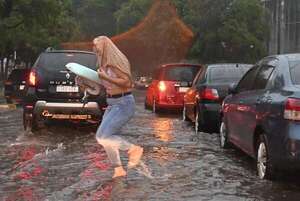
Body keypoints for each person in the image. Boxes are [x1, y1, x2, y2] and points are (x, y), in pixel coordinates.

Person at [93, 36, 143, 178]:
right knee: (102, 137)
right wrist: (83, 82)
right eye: (94, 45)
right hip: (112, 104)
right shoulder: (103, 65)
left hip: (123, 103)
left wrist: (106, 77)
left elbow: (127, 82)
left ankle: (134, 149)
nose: (95, 48)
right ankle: (118, 169)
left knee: (104, 137)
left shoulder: (114, 62)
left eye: (97, 45)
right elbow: (101, 87)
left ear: (105, 47)